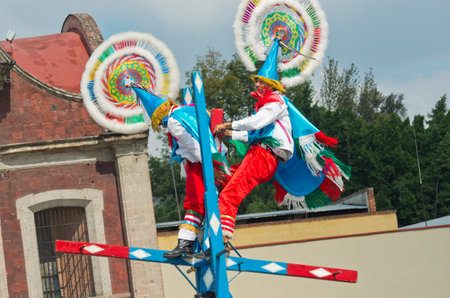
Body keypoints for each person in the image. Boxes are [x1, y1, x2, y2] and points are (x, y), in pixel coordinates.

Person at [214, 37, 350, 241]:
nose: (258, 84)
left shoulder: (275, 103)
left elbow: (256, 122)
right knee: (226, 178)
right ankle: (210, 217)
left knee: (233, 190)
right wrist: (230, 134)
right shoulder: (267, 107)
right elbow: (254, 134)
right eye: (257, 81)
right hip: (261, 154)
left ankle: (222, 234)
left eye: (262, 81)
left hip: (263, 155)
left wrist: (228, 125)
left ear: (271, 84)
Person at [132, 85, 229, 258]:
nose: (162, 127)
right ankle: (201, 244)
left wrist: (210, 167)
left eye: (159, 123)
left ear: (160, 115)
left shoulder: (173, 121)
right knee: (206, 203)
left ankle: (193, 244)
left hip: (201, 164)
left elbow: (193, 145)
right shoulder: (188, 110)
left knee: (196, 205)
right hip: (207, 161)